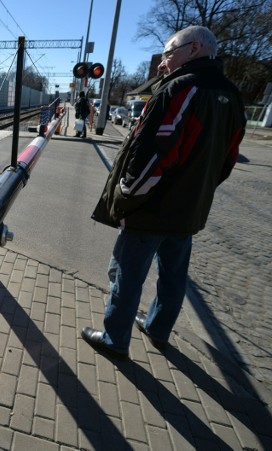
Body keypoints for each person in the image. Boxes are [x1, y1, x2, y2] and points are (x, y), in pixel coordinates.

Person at [82, 26, 245, 359]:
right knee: (173, 276)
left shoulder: (182, 89)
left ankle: (115, 339)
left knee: (126, 274)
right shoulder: (231, 94)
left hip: (152, 206)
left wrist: (128, 194)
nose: (161, 63)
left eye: (168, 53)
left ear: (193, 49)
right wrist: (198, 190)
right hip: (189, 208)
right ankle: (157, 328)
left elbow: (155, 151)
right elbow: (228, 158)